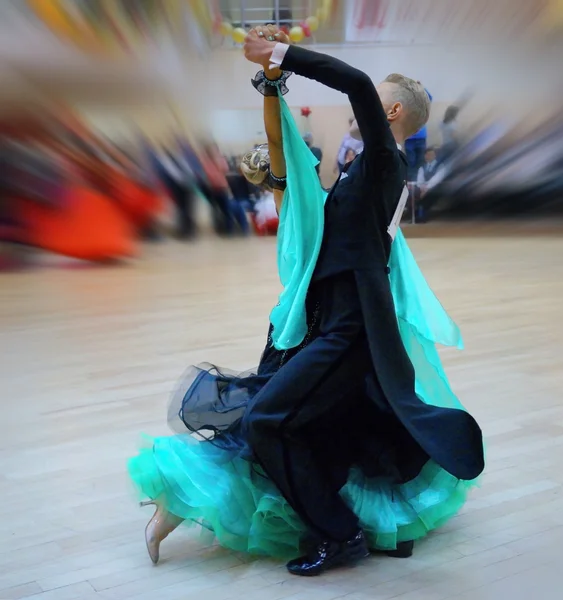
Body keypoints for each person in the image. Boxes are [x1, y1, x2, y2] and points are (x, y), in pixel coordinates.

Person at [128, 26, 484, 577]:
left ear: (388, 112)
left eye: (371, 100)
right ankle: (343, 528)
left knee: (268, 418)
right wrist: (274, 81)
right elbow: (292, 172)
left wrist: (281, 53)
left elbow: (357, 85)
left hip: (352, 331)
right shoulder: (360, 173)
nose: (356, 109)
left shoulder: (386, 164)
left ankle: (340, 536)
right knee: (277, 419)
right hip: (331, 327)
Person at [405, 88, 432, 181]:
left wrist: (421, 88)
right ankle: (412, 184)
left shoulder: (423, 107)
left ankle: (420, 182)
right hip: (409, 139)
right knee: (411, 161)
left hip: (421, 139)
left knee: (421, 161)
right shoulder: (405, 105)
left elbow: (429, 98)